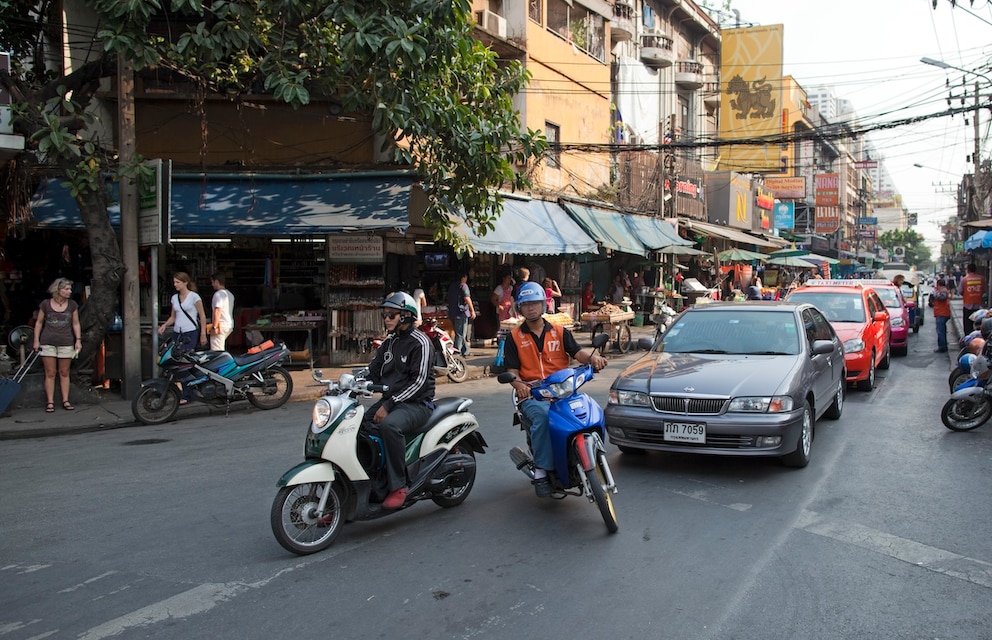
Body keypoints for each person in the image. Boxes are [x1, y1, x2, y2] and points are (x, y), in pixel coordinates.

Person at [503, 282, 608, 498]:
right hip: (533, 392)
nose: (531, 308)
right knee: (542, 417)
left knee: (586, 410)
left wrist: (593, 358)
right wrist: (520, 385)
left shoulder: (560, 331)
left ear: (544, 305)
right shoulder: (513, 337)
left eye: (535, 304)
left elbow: (578, 353)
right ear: (520, 308)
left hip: (563, 389)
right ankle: (541, 471)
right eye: (526, 304)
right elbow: (512, 371)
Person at [366, 292, 436, 509]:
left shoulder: (421, 343)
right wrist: (343, 384)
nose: (386, 319)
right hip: (393, 400)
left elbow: (419, 383)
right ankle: (373, 479)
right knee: (358, 424)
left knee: (389, 426)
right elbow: (372, 371)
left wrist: (388, 404)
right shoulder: (390, 342)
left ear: (406, 316)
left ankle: (399, 485)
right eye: (385, 315)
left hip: (417, 404)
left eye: (391, 315)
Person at [32, 278, 81, 413]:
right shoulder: (46, 304)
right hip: (48, 341)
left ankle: (65, 400)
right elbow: (39, 323)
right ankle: (50, 402)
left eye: (70, 289)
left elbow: (76, 323)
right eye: (66, 289)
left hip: (66, 342)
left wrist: (78, 340)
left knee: (64, 372)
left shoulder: (72, 305)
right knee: (50, 372)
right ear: (57, 290)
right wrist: (36, 340)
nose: (69, 291)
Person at [157, 272, 208, 403]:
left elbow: (202, 316)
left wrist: (203, 333)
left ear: (185, 282)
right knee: (174, 362)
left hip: (190, 333)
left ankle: (187, 394)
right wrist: (164, 325)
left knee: (186, 363)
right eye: (174, 282)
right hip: (177, 332)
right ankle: (172, 391)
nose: (175, 285)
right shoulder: (174, 298)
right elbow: (173, 316)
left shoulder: (194, 297)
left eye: (178, 282)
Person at [446, 271, 476, 357]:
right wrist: (472, 310)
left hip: (452, 312)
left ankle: (465, 351)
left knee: (459, 333)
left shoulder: (452, 286)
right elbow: (467, 298)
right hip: (461, 313)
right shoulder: (463, 286)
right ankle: (457, 352)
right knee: (460, 334)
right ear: (463, 278)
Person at [209, 273, 235, 351]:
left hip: (220, 325)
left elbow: (218, 311)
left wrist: (214, 327)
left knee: (216, 350)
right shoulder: (229, 294)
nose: (212, 284)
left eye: (212, 282)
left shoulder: (218, 294)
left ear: (216, 282)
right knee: (220, 346)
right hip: (229, 324)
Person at [931, 277, 952, 353]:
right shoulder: (942, 290)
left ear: (939, 284)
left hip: (942, 313)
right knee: (942, 330)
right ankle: (943, 345)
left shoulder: (943, 291)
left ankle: (942, 347)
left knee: (940, 331)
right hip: (941, 313)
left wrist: (935, 295)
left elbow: (942, 298)